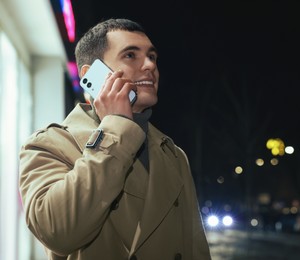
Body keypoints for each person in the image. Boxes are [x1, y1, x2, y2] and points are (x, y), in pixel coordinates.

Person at [18, 18, 212, 260]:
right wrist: (116, 127)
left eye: (152, 56)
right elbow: (57, 232)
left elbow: (196, 248)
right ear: (93, 75)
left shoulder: (173, 153)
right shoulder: (48, 144)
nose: (150, 65)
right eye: (131, 55)